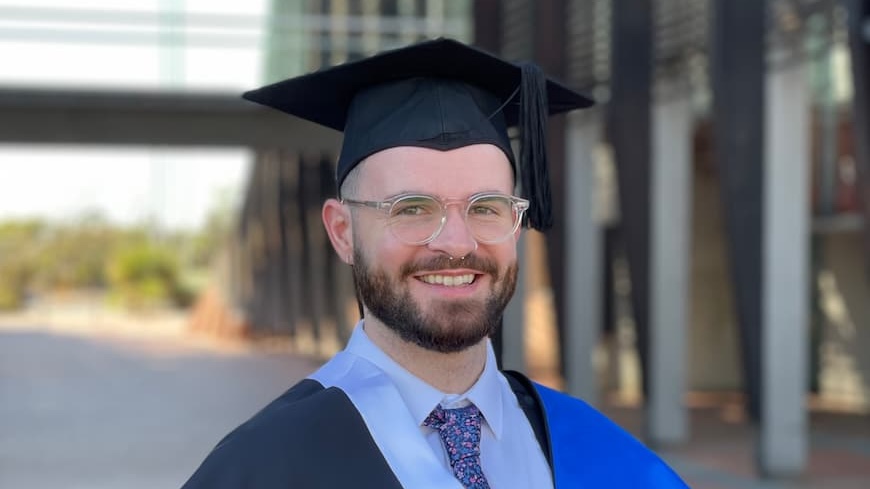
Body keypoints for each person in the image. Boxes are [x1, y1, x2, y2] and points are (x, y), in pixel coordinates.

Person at [182, 38, 687, 488]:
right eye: (413, 209)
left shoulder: (600, 452)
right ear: (342, 231)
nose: (456, 243)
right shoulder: (264, 467)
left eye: (486, 208)